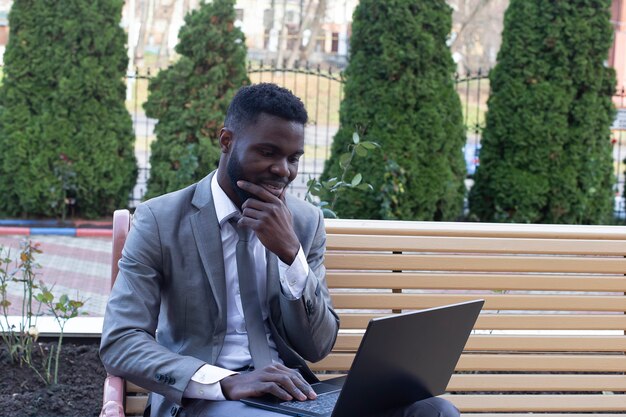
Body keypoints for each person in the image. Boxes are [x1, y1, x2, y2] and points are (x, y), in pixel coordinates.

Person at [100, 83, 460, 417]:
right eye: (268, 152)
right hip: (207, 399)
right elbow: (121, 341)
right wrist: (225, 381)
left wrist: (292, 255)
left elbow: (317, 347)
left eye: (293, 158)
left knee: (434, 411)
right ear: (226, 140)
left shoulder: (303, 222)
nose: (283, 171)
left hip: (292, 395)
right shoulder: (160, 219)